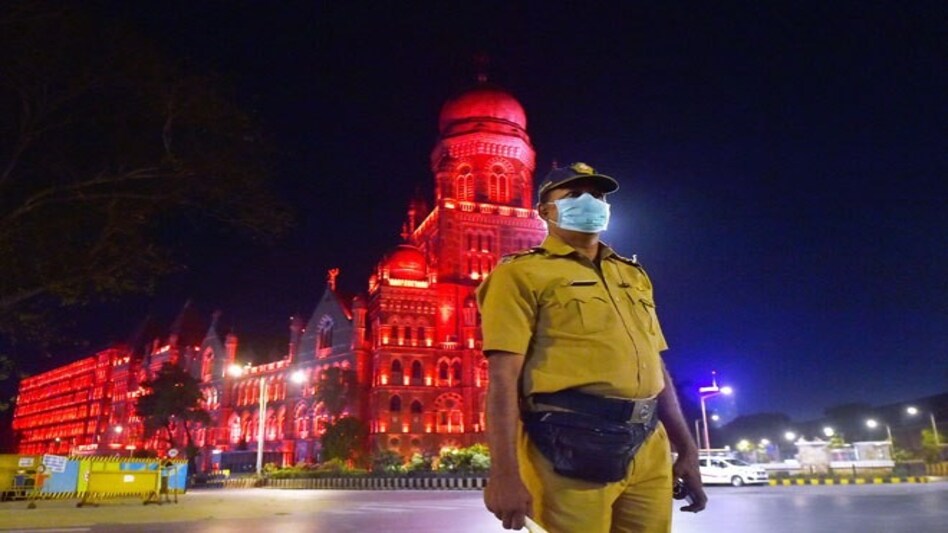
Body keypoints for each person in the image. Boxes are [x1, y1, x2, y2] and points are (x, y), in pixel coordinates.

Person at [476, 162, 707, 532]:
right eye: (573, 195)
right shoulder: (518, 275)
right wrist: (504, 473)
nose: (589, 202)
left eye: (597, 195)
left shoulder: (632, 275)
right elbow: (503, 380)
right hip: (568, 447)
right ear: (545, 212)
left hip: (648, 445)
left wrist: (688, 448)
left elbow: (656, 367)